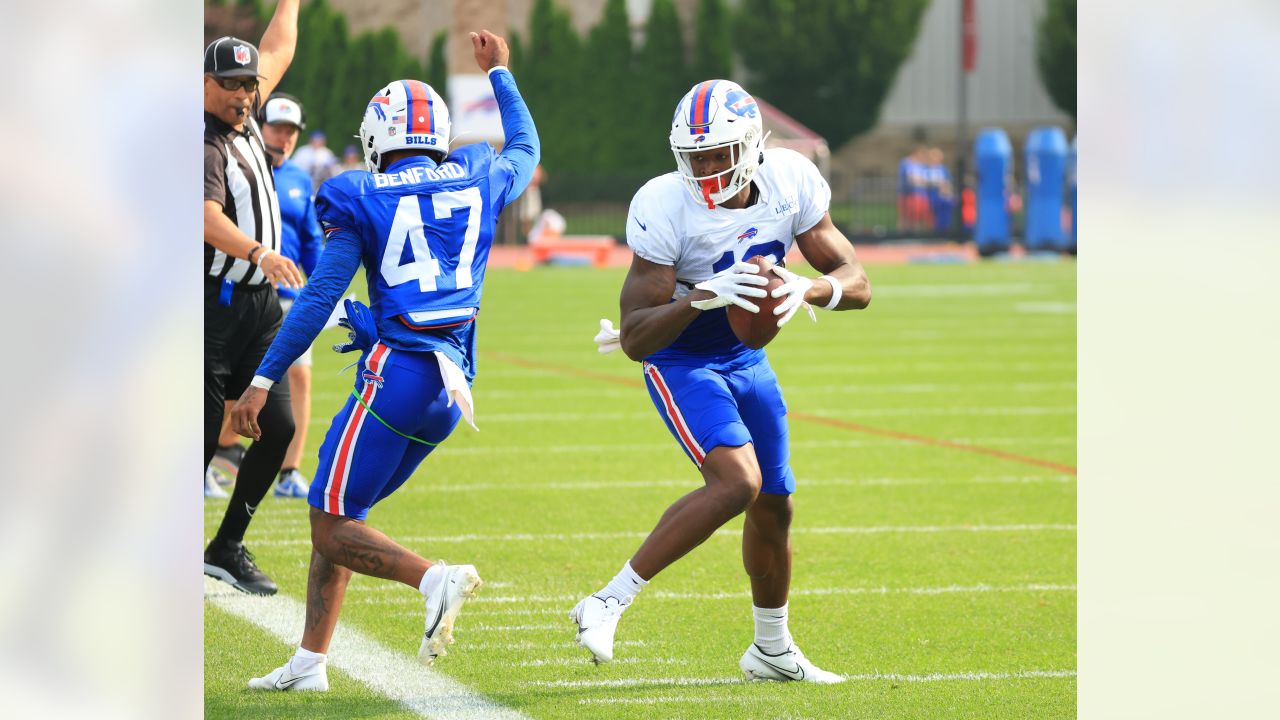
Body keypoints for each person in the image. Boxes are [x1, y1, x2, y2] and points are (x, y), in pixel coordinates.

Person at [230, 30, 539, 692]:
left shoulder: (357, 192)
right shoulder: (477, 173)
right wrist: (501, 75)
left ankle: (435, 579)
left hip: (396, 378)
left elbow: (318, 298)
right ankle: (310, 665)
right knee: (342, 512)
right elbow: (527, 149)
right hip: (452, 391)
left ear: (376, 135)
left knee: (330, 521)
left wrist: (260, 378)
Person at [577, 79, 871, 684]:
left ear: (752, 148)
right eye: (696, 157)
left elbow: (857, 280)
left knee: (775, 503)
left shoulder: (790, 180)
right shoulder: (663, 204)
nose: (707, 169)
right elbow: (635, 338)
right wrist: (705, 296)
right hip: (681, 357)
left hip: (745, 356)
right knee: (738, 481)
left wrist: (807, 287)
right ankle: (607, 600)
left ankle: (770, 650)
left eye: (719, 155)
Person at [202, 0, 305, 596]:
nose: (244, 95)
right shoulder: (202, 139)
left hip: (259, 308)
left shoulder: (245, 116)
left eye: (249, 85)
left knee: (279, 427)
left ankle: (227, 545)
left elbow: (278, 48)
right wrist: (260, 252)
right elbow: (204, 217)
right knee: (195, 438)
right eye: (231, 85)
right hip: (210, 305)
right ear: (205, 85)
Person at [259, 92, 325, 497]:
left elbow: (312, 239)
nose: (283, 138)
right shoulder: (236, 168)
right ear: (260, 127)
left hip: (292, 296)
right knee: (234, 384)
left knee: (300, 377)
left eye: (290, 131)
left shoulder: (300, 180)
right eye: (276, 128)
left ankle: (289, 472)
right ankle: (215, 460)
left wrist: (324, 286)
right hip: (243, 294)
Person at [925, 147, 955, 233]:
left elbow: (948, 183)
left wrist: (948, 194)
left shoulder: (944, 170)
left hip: (942, 197)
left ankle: (943, 232)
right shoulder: (925, 169)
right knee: (929, 217)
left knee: (944, 217)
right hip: (929, 196)